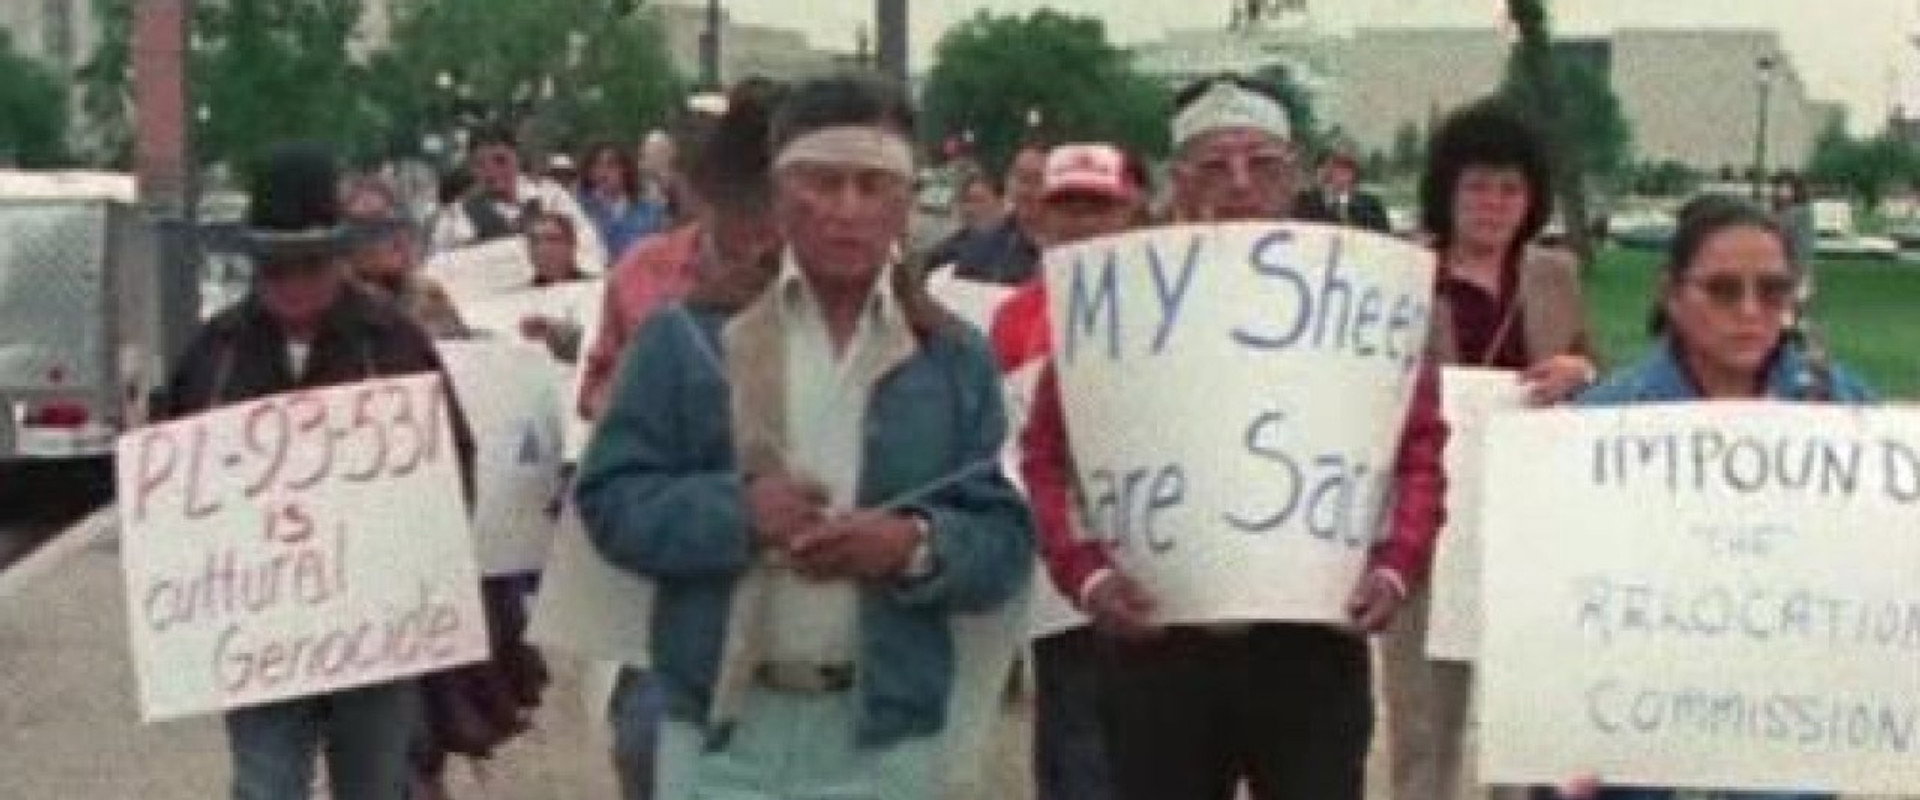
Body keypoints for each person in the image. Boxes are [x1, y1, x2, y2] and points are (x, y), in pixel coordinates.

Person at [574, 74, 1034, 800]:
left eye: (873, 185)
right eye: (822, 182)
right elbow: (610, 500)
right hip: (720, 735)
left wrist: (914, 546)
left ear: (906, 203)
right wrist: (737, 512)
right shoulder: (687, 337)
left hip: (884, 740)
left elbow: (1003, 539)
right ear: (780, 193)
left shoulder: (950, 357)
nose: (847, 209)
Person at [1021, 74, 1448, 800]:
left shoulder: (1359, 296)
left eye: (1263, 164)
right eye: (1215, 165)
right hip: (1159, 637)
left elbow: (1419, 448)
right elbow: (1048, 455)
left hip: (1312, 636)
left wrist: (1395, 567)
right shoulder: (1125, 296)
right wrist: (1087, 575)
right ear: (1180, 180)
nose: (1241, 184)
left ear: (1296, 174)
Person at [152, 143, 480, 800]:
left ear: (338, 258)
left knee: (374, 784)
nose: (292, 282)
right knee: (265, 785)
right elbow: (170, 490)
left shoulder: (392, 342)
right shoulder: (215, 353)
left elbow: (453, 465)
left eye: (309, 264)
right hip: (257, 632)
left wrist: (420, 570)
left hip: (376, 628)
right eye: (274, 267)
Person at [1538, 197, 1866, 800]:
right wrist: (1558, 738)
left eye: (1773, 290)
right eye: (1722, 290)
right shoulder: (1602, 423)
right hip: (1631, 744)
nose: (1750, 311)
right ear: (1671, 294)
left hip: (1788, 741)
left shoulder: (1847, 416)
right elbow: (1555, 603)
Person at [1385, 98, 1600, 800]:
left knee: (1523, 720)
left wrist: (1581, 372)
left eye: (1511, 188)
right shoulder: (1402, 274)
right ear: (1445, 191)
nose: (1493, 204)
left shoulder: (1554, 275)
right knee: (1426, 724)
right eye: (1476, 186)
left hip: (1529, 526)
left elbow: (1596, 370)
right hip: (1428, 525)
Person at [988, 142, 1150, 800]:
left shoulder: (1163, 304)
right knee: (1069, 736)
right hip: (1059, 566)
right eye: (1068, 206)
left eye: (1097, 206)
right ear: (1040, 216)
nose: (1082, 221)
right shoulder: (1013, 316)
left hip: (1151, 558)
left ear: (1128, 211)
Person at [579, 78, 787, 423]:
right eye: (743, 207)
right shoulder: (640, 270)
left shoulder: (834, 280)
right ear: (705, 191)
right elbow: (593, 392)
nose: (762, 238)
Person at [430, 126, 606, 274]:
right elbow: (440, 269)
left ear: (517, 158)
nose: (491, 171)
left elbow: (591, 246)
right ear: (471, 168)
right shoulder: (455, 216)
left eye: (501, 161)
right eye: (480, 164)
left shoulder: (551, 197)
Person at [340, 175, 468, 338]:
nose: (398, 238)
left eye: (397, 222)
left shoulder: (428, 292)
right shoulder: (339, 307)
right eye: (376, 228)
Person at [945, 139, 1047, 285]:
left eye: (1037, 180)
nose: (1025, 190)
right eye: (1021, 178)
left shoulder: (1071, 248)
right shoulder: (981, 248)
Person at [578, 142, 669, 262]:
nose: (603, 172)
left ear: (625, 170)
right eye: (597, 165)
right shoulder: (580, 211)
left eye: (611, 165)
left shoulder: (651, 213)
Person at [926, 169, 1006, 269]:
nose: (970, 209)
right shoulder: (946, 251)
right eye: (967, 201)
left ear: (1000, 203)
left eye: (979, 201)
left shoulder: (1015, 247)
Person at [1294, 151, 1392, 233]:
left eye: (1347, 169)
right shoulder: (1307, 200)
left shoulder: (1370, 205)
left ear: (1355, 175)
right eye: (1336, 168)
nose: (1341, 174)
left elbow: (1384, 237)